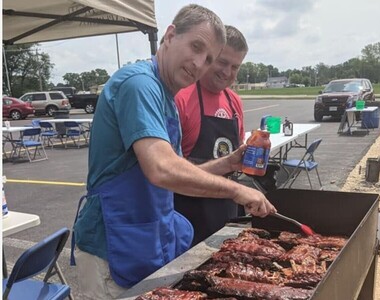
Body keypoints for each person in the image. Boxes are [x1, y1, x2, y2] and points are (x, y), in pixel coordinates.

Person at [71, 4, 276, 299]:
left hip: (148, 240)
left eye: (207, 59)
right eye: (195, 46)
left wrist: (229, 162)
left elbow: (180, 169)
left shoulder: (165, 94)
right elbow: (162, 168)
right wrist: (235, 190)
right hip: (112, 247)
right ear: (170, 35)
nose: (198, 63)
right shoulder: (139, 84)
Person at [174, 25, 248, 246]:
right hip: (188, 216)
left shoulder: (234, 102)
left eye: (235, 67)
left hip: (226, 210)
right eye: (222, 62)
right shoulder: (181, 98)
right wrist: (225, 164)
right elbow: (171, 172)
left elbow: (237, 153)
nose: (227, 72)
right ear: (209, 56)